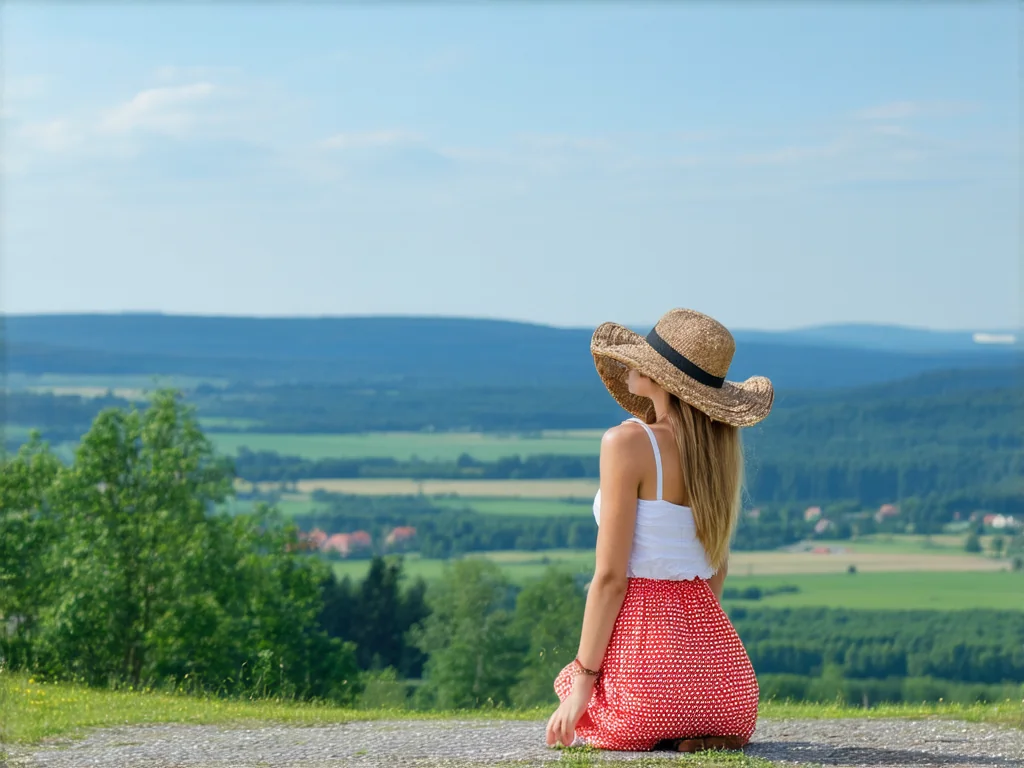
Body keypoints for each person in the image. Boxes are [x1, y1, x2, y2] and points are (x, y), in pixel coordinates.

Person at [545, 308, 774, 753]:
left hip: (645, 687)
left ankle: (656, 718)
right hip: (728, 692)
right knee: (691, 705)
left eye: (646, 360)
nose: (633, 364)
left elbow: (611, 581)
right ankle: (698, 729)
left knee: (583, 697)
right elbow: (715, 573)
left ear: (663, 380)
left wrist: (582, 684)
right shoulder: (719, 458)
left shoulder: (628, 443)